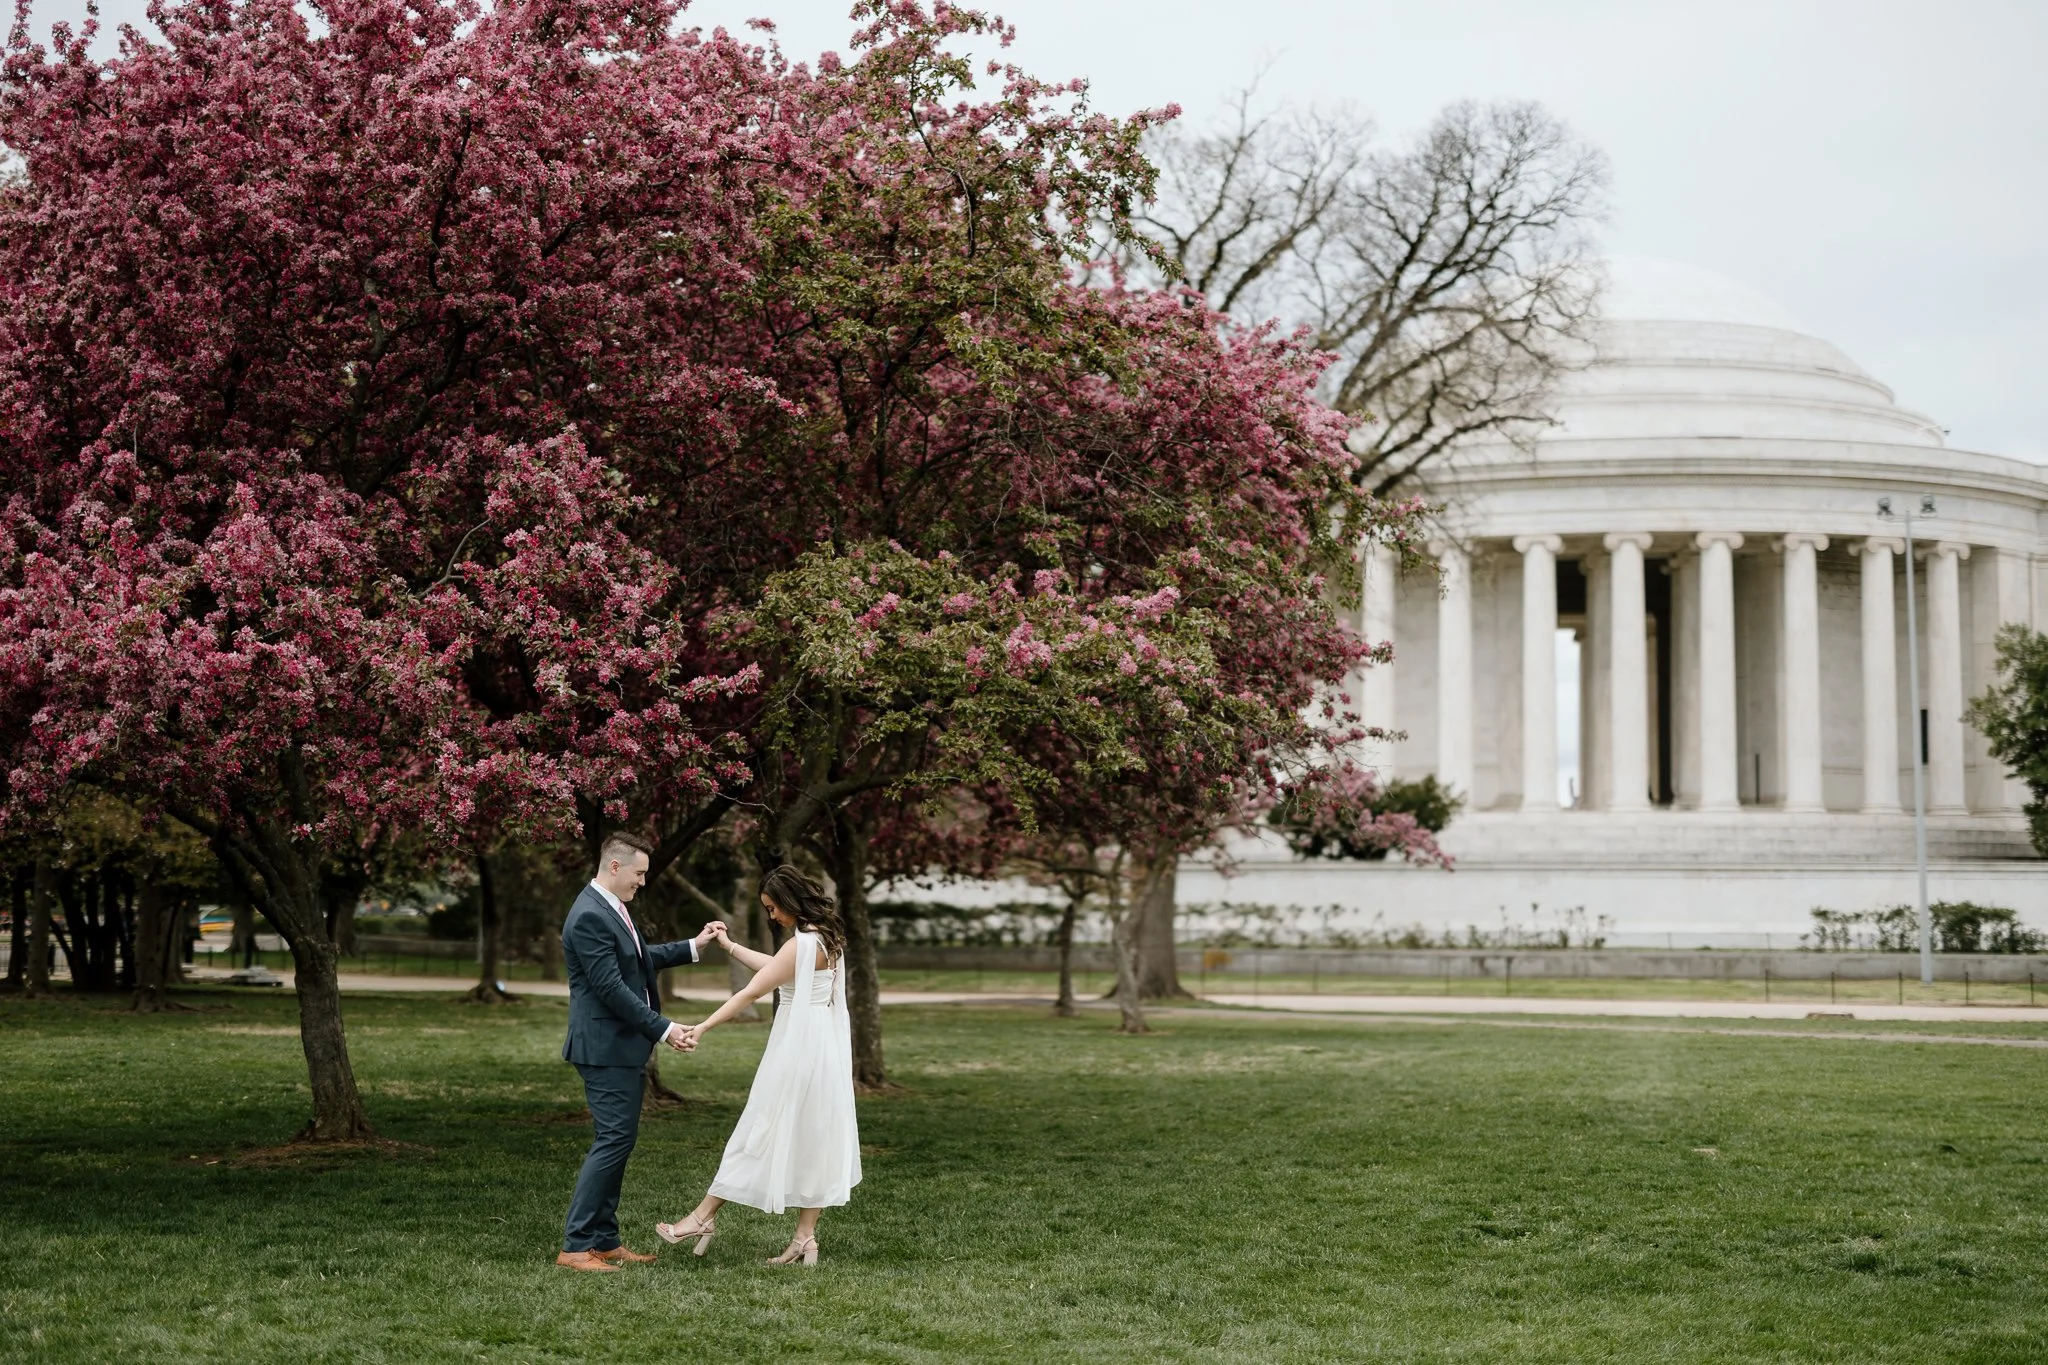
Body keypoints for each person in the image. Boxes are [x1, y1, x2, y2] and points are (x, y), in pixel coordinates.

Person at [656, 864, 861, 1266]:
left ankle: (702, 1218)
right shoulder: (824, 939)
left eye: (772, 908)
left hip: (797, 1047)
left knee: (760, 1125)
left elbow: (751, 991)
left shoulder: (800, 944)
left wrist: (703, 1027)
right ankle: (805, 1239)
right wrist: (729, 946)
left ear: (789, 902)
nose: (772, 916)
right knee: (814, 1135)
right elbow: (778, 965)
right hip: (823, 1048)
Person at [555, 830, 724, 1273]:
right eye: (639, 873)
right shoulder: (589, 915)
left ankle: (605, 1240)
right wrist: (666, 1030)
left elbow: (634, 957)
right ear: (615, 866)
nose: (643, 882)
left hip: (618, 1046)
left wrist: (692, 946)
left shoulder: (610, 908)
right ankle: (575, 1247)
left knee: (619, 1141)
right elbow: (610, 987)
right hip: (604, 1047)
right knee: (612, 1141)